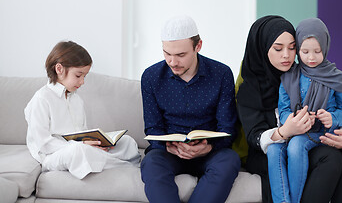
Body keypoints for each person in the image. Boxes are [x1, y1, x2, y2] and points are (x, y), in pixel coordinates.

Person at [233, 15, 342, 203]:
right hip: (270, 149)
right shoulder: (249, 87)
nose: (286, 55)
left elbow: (339, 109)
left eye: (292, 47)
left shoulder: (308, 74)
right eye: (278, 48)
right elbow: (255, 136)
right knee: (330, 158)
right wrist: (285, 131)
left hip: (312, 137)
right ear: (262, 48)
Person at [140, 15, 241, 203]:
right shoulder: (151, 77)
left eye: (180, 55)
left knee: (230, 160)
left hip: (210, 152)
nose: (172, 62)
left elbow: (227, 128)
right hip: (169, 153)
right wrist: (170, 148)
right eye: (166, 53)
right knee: (151, 163)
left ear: (198, 46)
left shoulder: (222, 74)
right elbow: (153, 129)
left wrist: (208, 147)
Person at [267, 17, 342, 203]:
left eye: (317, 51)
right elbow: (283, 109)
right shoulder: (289, 77)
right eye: (305, 51)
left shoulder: (337, 77)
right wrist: (292, 119)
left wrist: (333, 117)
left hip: (324, 133)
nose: (311, 57)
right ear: (298, 50)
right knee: (285, 148)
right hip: (299, 131)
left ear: (326, 47)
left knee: (296, 145)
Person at [25, 41, 140, 179]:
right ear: (59, 69)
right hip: (53, 155)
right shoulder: (41, 99)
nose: (82, 82)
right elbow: (43, 144)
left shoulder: (76, 99)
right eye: (78, 76)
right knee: (78, 151)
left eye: (84, 76)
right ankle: (125, 166)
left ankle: (104, 160)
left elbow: (82, 132)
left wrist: (94, 143)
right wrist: (83, 145)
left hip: (81, 148)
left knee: (126, 142)